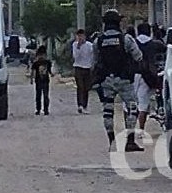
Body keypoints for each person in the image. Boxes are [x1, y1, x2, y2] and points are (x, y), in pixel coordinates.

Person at [92, 9, 144, 152]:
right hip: (125, 80)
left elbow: (94, 62)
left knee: (108, 111)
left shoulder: (98, 41)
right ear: (118, 23)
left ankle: (112, 142)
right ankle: (130, 141)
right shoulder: (126, 39)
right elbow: (138, 56)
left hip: (106, 81)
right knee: (132, 108)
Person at [133, 22, 166, 132]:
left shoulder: (133, 43)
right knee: (143, 104)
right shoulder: (154, 44)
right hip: (148, 75)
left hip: (134, 75)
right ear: (149, 31)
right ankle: (141, 129)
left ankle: (130, 128)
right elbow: (164, 47)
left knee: (129, 103)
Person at [71, 29, 94, 114]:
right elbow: (75, 56)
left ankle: (85, 105)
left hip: (87, 67)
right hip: (78, 67)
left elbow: (92, 56)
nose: (80, 38)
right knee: (80, 86)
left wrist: (92, 66)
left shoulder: (90, 45)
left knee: (86, 88)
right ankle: (80, 105)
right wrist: (79, 46)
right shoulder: (75, 45)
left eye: (82, 36)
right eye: (78, 36)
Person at [30, 44, 52, 116]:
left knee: (46, 96)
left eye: (43, 55)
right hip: (38, 81)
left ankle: (46, 109)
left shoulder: (48, 62)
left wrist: (51, 74)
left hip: (46, 81)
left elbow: (49, 70)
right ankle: (38, 109)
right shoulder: (36, 63)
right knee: (38, 96)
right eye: (40, 55)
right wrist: (31, 79)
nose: (41, 56)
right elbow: (33, 71)